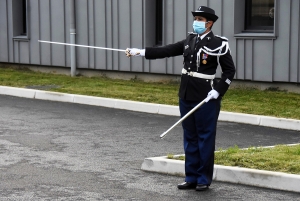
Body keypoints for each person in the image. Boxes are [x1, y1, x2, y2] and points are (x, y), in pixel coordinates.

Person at [125, 6, 236, 191]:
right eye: (196, 19)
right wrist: (140, 52)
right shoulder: (189, 40)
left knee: (205, 137)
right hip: (186, 95)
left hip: (206, 97)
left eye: (200, 19)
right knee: (190, 137)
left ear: (210, 23)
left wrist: (218, 90)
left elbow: (229, 71)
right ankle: (191, 176)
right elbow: (166, 51)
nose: (196, 22)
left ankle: (203, 179)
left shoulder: (219, 43)